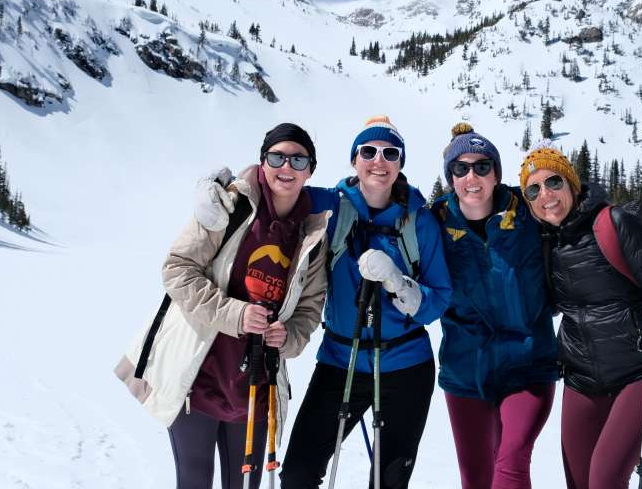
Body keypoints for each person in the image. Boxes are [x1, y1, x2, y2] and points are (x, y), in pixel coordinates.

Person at [118, 123, 329, 489]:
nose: (287, 167)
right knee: (194, 481)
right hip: (198, 376)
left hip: (256, 384)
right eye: (277, 156)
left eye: (298, 159)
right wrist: (237, 314)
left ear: (310, 169)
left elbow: (310, 308)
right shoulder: (230, 204)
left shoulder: (312, 234)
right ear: (263, 161)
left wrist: (289, 337)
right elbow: (177, 269)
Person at [280, 115, 452, 489]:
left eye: (391, 153)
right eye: (369, 151)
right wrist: (233, 186)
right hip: (341, 361)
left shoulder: (418, 221)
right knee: (298, 473)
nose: (380, 159)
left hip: (407, 367)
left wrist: (398, 282)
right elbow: (278, 190)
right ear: (354, 161)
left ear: (400, 164)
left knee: (388, 482)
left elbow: (438, 301)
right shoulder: (330, 206)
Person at [518, 144, 642, 489]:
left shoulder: (615, 223)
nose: (545, 195)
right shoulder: (547, 243)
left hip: (641, 373)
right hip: (582, 379)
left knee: (604, 481)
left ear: (571, 183)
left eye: (553, 182)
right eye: (533, 190)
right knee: (579, 483)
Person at [431, 124, 559, 489]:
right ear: (451, 178)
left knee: (511, 462)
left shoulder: (528, 213)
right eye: (461, 168)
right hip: (465, 370)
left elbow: (574, 208)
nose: (472, 176)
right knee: (475, 479)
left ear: (497, 174)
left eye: (483, 166)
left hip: (528, 364)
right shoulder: (434, 223)